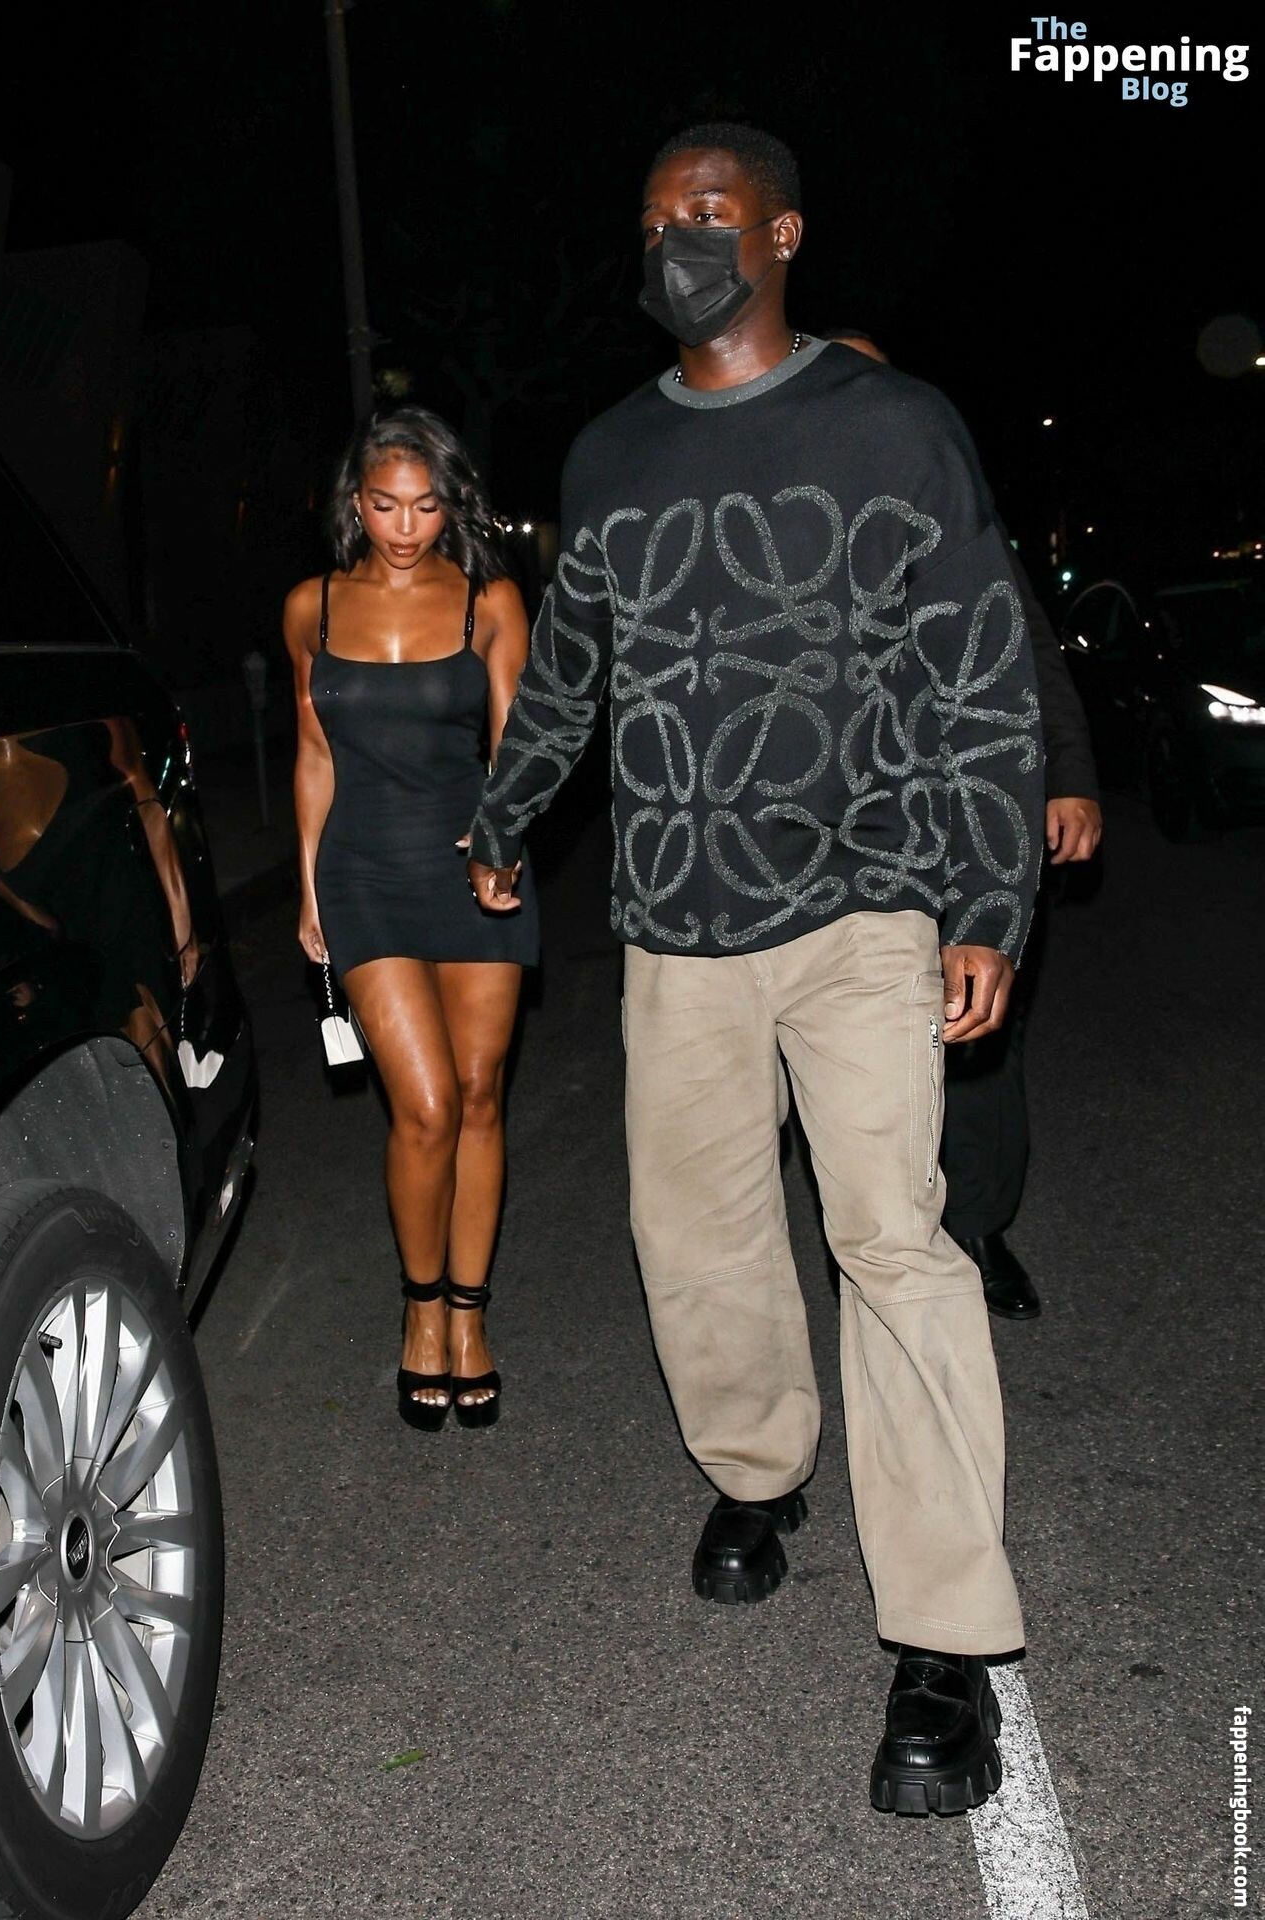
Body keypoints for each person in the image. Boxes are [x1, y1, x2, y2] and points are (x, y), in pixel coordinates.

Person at [467, 124, 1044, 1815]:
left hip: (864, 905)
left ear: (781, 234)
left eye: (706, 216)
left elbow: (975, 669)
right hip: (673, 922)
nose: (676, 245)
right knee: (694, 1236)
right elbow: (569, 666)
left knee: (892, 1243)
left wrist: (983, 900)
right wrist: (505, 812)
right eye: (654, 221)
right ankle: (758, 1469)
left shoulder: (889, 425)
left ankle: (941, 1640)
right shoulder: (608, 454)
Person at [829, 328, 1104, 1320]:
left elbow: (1027, 646)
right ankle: (873, 1232)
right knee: (852, 1038)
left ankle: (979, 1229)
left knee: (977, 1026)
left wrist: (1068, 776)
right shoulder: (790, 513)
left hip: (971, 811)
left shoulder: (946, 503)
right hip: (851, 830)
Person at [284, 407, 537, 1432]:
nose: (404, 527)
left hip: (472, 874)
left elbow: (516, 748)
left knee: (478, 1097)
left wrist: (501, 844)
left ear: (449, 506)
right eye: (385, 505)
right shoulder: (311, 607)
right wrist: (307, 888)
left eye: (425, 507)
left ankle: (469, 1317)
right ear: (355, 501)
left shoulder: (488, 601)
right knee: (424, 1104)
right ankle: (419, 1305)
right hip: (362, 874)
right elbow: (312, 753)